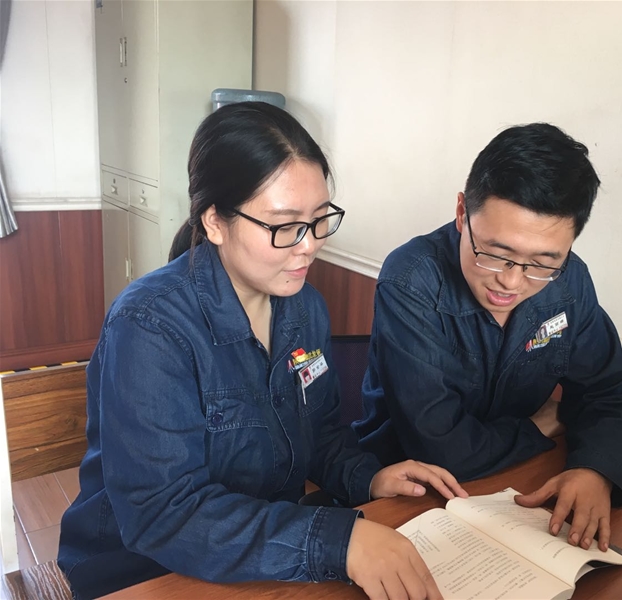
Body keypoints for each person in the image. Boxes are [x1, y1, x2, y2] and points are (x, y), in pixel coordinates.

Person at [58, 102, 465, 600]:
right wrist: (338, 542)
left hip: (266, 555)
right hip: (140, 571)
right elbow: (163, 514)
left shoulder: (305, 310)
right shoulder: (150, 326)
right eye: (284, 225)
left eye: (319, 219)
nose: (309, 245)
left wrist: (369, 477)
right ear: (215, 222)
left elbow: (320, 434)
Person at [354, 123, 622, 554]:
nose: (511, 282)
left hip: (515, 483)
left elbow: (609, 395)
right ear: (462, 213)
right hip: (406, 493)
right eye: (495, 253)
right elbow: (441, 447)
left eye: (543, 262)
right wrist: (536, 426)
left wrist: (595, 470)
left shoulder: (570, 282)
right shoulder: (412, 281)